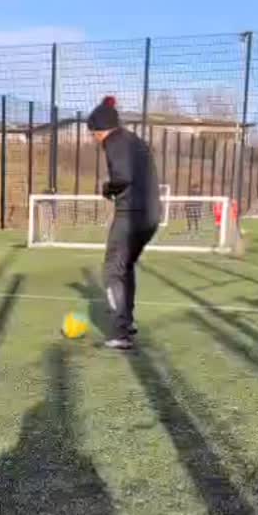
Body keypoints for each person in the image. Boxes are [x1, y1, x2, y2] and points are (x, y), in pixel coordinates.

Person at [87, 96, 160, 350]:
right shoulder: (135, 141)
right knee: (125, 267)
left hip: (131, 215)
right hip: (151, 216)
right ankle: (127, 322)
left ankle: (120, 331)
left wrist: (108, 187)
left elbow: (123, 176)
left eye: (93, 134)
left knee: (112, 270)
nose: (95, 140)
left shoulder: (113, 142)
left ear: (99, 131)